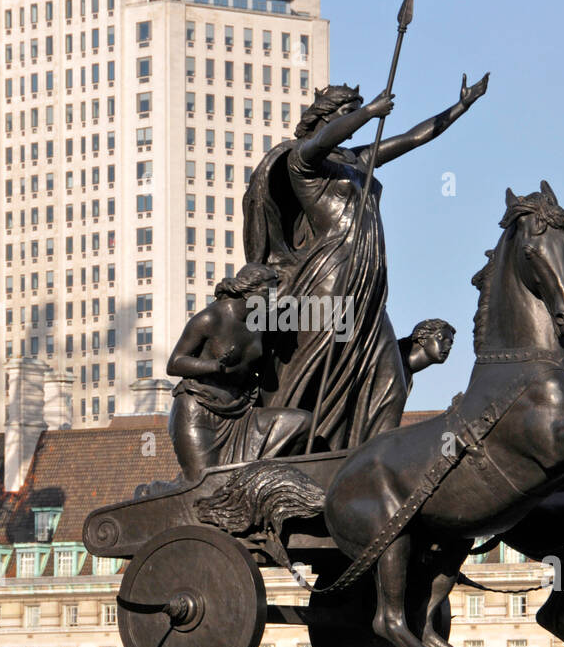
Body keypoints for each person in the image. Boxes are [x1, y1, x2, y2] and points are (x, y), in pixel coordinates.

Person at [244, 73, 488, 449]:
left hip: (370, 281)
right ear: (326, 117)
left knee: (388, 372)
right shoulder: (302, 160)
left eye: (356, 114)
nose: (354, 122)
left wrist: (459, 107)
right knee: (316, 365)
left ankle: (374, 457)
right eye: (347, 114)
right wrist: (371, 111)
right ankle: (284, 443)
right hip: (331, 276)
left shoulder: (359, 161)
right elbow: (324, 140)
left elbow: (412, 138)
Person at [167, 263, 312, 480]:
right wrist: (216, 366)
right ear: (247, 291)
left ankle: (255, 481)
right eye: (267, 293)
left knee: (301, 422)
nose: (272, 299)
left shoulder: (262, 320)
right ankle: (156, 491)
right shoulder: (209, 319)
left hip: (241, 412)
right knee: (203, 484)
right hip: (199, 411)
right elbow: (174, 363)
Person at [397, 318, 456, 394]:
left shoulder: (408, 380)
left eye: (450, 343)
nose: (448, 346)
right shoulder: (392, 361)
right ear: (422, 339)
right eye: (440, 338)